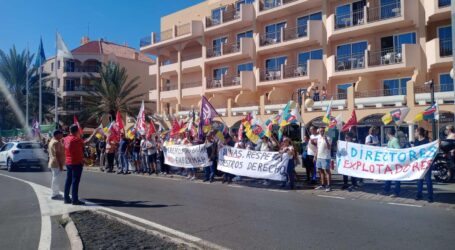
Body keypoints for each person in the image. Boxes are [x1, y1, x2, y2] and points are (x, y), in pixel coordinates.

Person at [63, 124, 95, 205]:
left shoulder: (66, 139)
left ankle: (66, 198)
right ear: (77, 131)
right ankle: (75, 200)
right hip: (76, 162)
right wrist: (94, 133)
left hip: (68, 162)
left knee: (68, 180)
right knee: (75, 181)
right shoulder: (76, 139)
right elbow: (87, 142)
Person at [413, 127, 433, 202]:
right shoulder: (416, 141)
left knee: (428, 180)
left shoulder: (427, 141)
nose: (414, 133)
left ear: (419, 133)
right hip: (419, 164)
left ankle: (430, 196)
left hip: (427, 163)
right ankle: (419, 194)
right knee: (419, 180)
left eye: (415, 132)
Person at [383, 129, 401, 197]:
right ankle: (386, 189)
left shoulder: (395, 140)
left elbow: (398, 149)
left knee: (397, 177)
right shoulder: (390, 141)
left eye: (387, 134)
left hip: (395, 162)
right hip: (390, 161)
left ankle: (396, 192)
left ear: (388, 134)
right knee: (388, 175)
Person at [48, 130, 65, 200]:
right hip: (56, 163)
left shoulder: (52, 141)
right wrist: (61, 165)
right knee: (56, 179)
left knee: (55, 178)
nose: (62, 136)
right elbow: (57, 154)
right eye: (61, 134)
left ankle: (56, 193)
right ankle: (55, 194)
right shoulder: (56, 142)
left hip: (53, 162)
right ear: (57, 135)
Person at [315, 128, 332, 192]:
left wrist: (326, 140)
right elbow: (317, 147)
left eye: (322, 131)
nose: (321, 132)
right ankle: (323, 185)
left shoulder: (328, 138)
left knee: (327, 171)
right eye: (320, 131)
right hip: (319, 157)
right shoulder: (318, 138)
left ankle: (329, 185)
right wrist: (315, 156)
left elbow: (329, 147)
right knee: (320, 171)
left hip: (325, 157)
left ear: (324, 131)